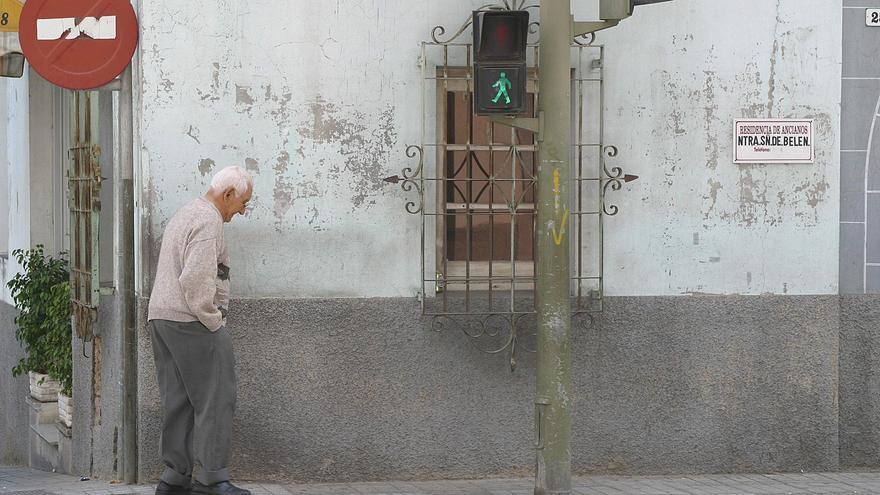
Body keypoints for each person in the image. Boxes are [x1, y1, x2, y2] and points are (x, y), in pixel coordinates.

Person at [148, 166, 254, 495]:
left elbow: (218, 271)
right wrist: (213, 319)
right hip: (190, 320)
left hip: (161, 317)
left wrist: (218, 305)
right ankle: (212, 480)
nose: (243, 210)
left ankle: (174, 479)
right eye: (242, 202)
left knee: (178, 400)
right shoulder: (208, 222)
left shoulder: (188, 212)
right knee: (215, 398)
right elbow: (195, 280)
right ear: (227, 195)